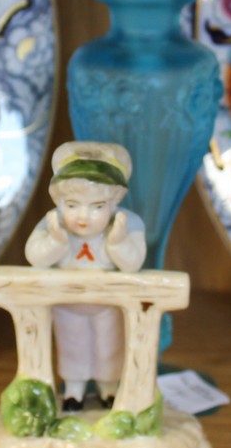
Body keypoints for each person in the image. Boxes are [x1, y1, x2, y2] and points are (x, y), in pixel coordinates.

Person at [24, 141, 146, 410]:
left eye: (97, 206)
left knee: (109, 344)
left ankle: (108, 388)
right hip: (68, 303)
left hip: (108, 304)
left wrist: (117, 245)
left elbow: (133, 263)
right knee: (72, 343)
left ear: (114, 203)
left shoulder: (127, 224)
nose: (83, 216)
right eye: (73, 205)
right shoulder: (54, 222)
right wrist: (55, 242)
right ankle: (74, 390)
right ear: (59, 202)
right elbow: (35, 256)